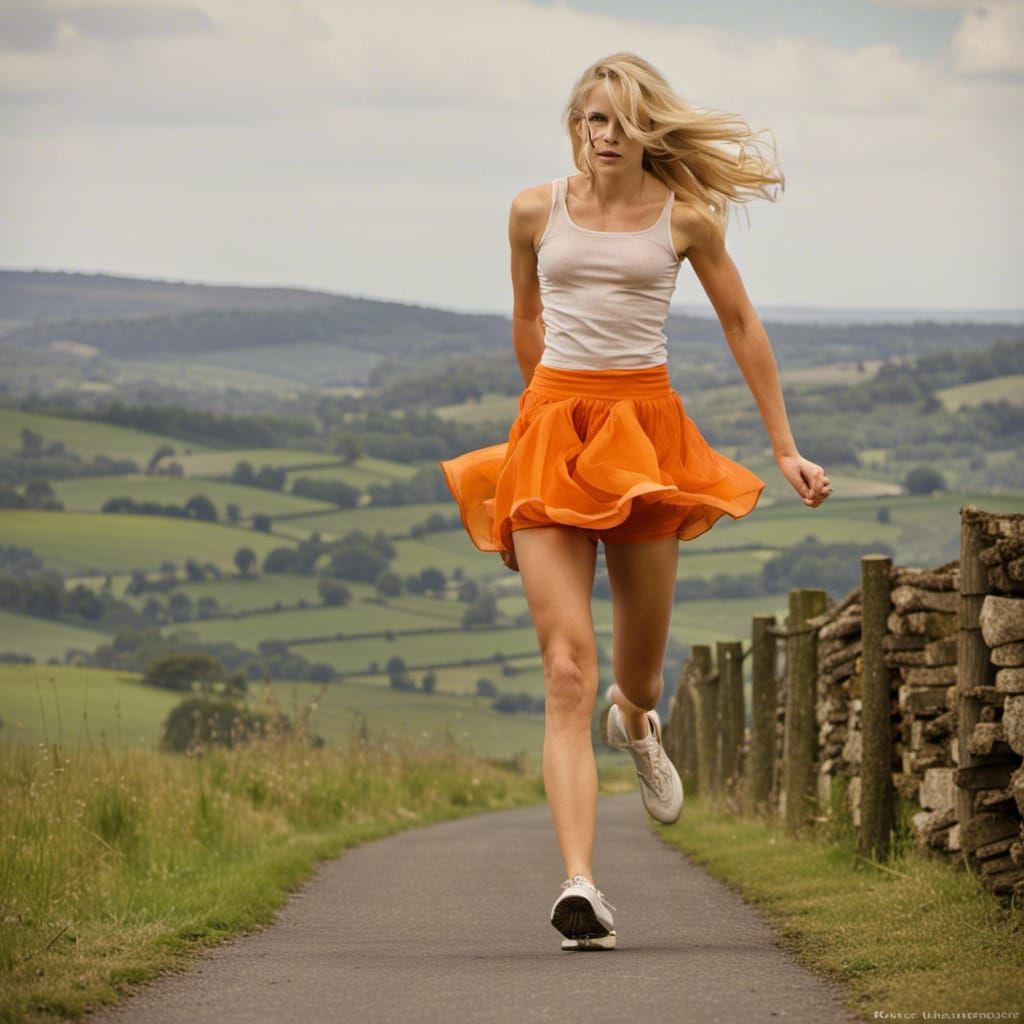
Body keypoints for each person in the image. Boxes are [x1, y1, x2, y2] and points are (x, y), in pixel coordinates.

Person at [438, 52, 832, 952]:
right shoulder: (534, 209)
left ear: (646, 127)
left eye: (616, 121)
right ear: (572, 126)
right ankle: (581, 884)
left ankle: (641, 722)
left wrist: (784, 446)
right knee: (565, 671)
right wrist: (545, 409)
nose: (600, 136)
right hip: (552, 436)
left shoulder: (686, 219)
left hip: (646, 435)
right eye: (588, 120)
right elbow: (527, 317)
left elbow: (742, 324)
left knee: (632, 676)